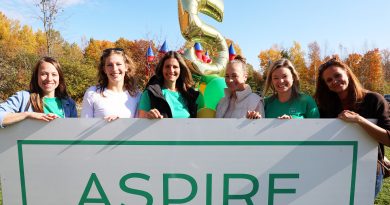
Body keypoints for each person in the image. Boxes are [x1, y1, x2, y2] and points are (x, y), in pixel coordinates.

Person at [314, 57, 390, 198]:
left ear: (347, 74)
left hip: (368, 170)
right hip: (334, 170)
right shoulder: (325, 106)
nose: (334, 81)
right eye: (329, 80)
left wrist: (359, 120)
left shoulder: (374, 100)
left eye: (337, 75)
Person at [0, 57, 77, 128]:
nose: (49, 79)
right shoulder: (23, 97)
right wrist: (27, 115)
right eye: (44, 74)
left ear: (59, 78)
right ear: (36, 76)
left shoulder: (69, 103)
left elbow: (74, 131)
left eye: (54, 74)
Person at [81, 48, 140, 121]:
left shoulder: (137, 95)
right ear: (104, 69)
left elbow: (138, 127)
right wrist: (105, 124)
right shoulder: (92, 93)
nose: (114, 69)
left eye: (118, 64)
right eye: (109, 65)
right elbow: (84, 126)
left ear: (126, 67)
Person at [138, 51, 199, 118]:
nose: (171, 70)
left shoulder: (191, 95)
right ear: (162, 69)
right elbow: (141, 120)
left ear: (181, 70)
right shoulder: (150, 93)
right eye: (167, 66)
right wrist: (148, 116)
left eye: (175, 67)